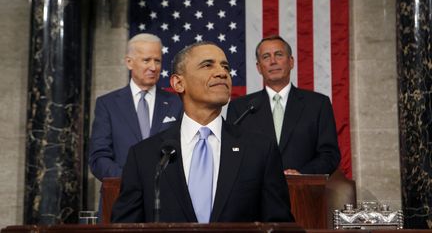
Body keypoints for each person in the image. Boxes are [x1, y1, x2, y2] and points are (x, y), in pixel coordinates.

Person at [111, 42, 294, 223]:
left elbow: (279, 225)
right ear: (178, 83)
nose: (222, 73)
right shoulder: (144, 155)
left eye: (225, 67)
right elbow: (125, 226)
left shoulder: (260, 150)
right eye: (207, 65)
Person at [226, 35, 340, 175]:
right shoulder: (240, 108)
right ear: (259, 67)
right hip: (254, 193)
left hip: (302, 192)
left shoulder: (318, 104)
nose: (273, 61)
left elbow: (329, 154)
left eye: (279, 55)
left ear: (291, 62)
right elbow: (231, 154)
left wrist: (301, 175)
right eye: (266, 57)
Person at [89, 33, 183, 181]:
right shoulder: (107, 104)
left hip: (164, 195)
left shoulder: (177, 103)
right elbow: (99, 157)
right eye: (146, 60)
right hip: (120, 195)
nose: (153, 67)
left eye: (157, 61)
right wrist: (129, 179)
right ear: (129, 62)